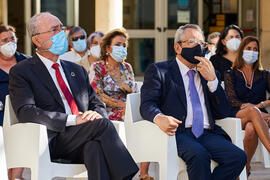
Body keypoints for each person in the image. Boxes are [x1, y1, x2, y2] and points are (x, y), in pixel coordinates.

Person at [8, 12, 138, 180]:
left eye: (62, 28)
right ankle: (130, 177)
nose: (62, 33)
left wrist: (96, 114)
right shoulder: (22, 71)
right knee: (102, 126)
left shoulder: (76, 70)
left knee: (94, 148)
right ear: (37, 40)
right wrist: (73, 120)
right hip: (53, 138)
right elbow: (26, 112)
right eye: (54, 30)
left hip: (86, 135)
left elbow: (96, 103)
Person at [140, 24, 247, 180]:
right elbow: (147, 104)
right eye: (192, 42)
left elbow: (223, 111)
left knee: (238, 157)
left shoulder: (209, 72)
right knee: (199, 155)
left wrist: (212, 81)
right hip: (178, 133)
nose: (198, 47)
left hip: (207, 132)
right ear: (177, 47)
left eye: (201, 43)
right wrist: (159, 117)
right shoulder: (160, 70)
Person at [224, 36, 270, 176]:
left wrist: (261, 104)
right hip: (237, 114)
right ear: (242, 50)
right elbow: (231, 100)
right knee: (253, 112)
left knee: (251, 128)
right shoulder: (230, 74)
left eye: (255, 49)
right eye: (248, 48)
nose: (252, 52)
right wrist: (256, 110)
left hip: (256, 119)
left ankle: (244, 169)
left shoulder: (264, 75)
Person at [0, 23, 30, 180]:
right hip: (0, 115)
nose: (9, 43)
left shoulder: (27, 63)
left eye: (12, 39)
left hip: (22, 113)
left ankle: (15, 177)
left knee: (22, 134)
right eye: (4, 40)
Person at [91, 28, 137, 121]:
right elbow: (98, 95)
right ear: (108, 48)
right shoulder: (97, 67)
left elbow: (133, 92)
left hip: (128, 110)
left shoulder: (127, 67)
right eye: (117, 45)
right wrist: (123, 105)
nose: (122, 48)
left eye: (124, 45)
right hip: (106, 112)